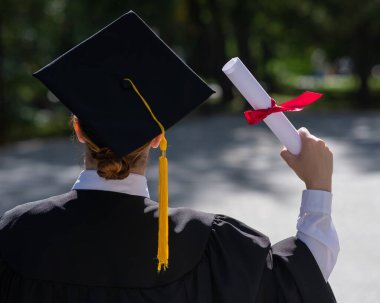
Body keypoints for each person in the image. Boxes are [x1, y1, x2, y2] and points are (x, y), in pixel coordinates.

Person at [0, 11, 339, 303]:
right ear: (158, 136)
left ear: (78, 129)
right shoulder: (208, 246)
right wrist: (318, 185)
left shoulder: (14, 235)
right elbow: (297, 283)